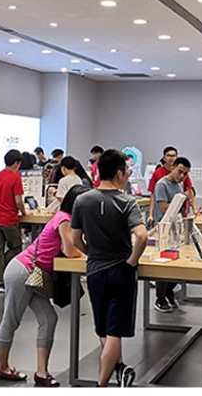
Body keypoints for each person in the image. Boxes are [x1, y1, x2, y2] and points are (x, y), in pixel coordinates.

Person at [0, 185, 89, 387]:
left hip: (30, 272)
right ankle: (1, 367)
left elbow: (75, 246)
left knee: (48, 318)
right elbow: (69, 249)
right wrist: (88, 256)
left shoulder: (67, 219)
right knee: (11, 319)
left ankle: (42, 372)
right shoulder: (64, 219)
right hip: (23, 271)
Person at [71, 149, 148, 387]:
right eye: (127, 171)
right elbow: (142, 236)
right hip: (121, 270)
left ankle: (119, 370)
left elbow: (75, 239)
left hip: (95, 270)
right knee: (114, 331)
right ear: (119, 173)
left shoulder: (82, 200)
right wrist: (132, 260)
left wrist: (91, 253)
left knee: (103, 328)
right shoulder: (127, 202)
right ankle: (102, 384)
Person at [152, 156, 192, 312]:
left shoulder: (179, 186)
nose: (182, 176)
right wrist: (181, 200)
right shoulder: (161, 185)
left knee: (177, 264)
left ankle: (169, 291)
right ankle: (160, 298)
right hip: (163, 231)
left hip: (176, 230)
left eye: (185, 174)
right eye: (180, 172)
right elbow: (163, 208)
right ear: (173, 167)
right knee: (164, 266)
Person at [0, 149, 26, 291]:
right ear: (16, 163)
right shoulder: (15, 178)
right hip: (9, 219)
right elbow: (18, 201)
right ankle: (7, 273)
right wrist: (24, 212)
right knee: (16, 247)